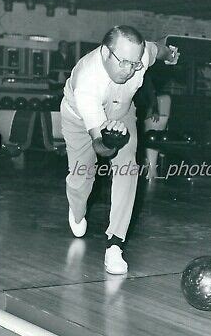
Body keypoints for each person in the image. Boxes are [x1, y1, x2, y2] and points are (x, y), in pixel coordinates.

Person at [60, 25, 179, 275]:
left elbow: (159, 51)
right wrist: (111, 142)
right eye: (123, 62)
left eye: (134, 64)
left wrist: (170, 55)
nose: (128, 70)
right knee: (82, 175)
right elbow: (101, 149)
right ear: (105, 53)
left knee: (128, 169)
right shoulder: (87, 83)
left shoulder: (140, 55)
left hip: (122, 113)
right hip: (80, 121)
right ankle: (77, 210)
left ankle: (115, 244)